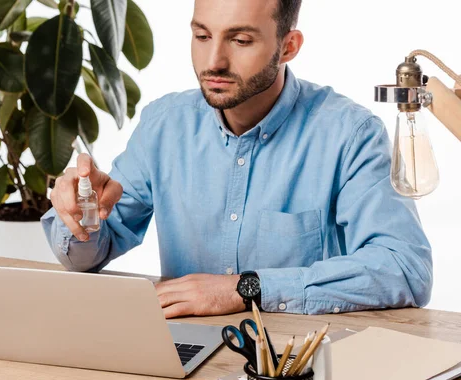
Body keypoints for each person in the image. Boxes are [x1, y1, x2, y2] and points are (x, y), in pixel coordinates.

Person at [41, 0, 432, 318]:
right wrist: (81, 218)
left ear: (289, 46)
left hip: (291, 366)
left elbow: (405, 268)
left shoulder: (350, 134)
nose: (213, 61)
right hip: (179, 353)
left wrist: (246, 289)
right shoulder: (165, 124)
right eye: (201, 35)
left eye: (240, 40)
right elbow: (90, 254)